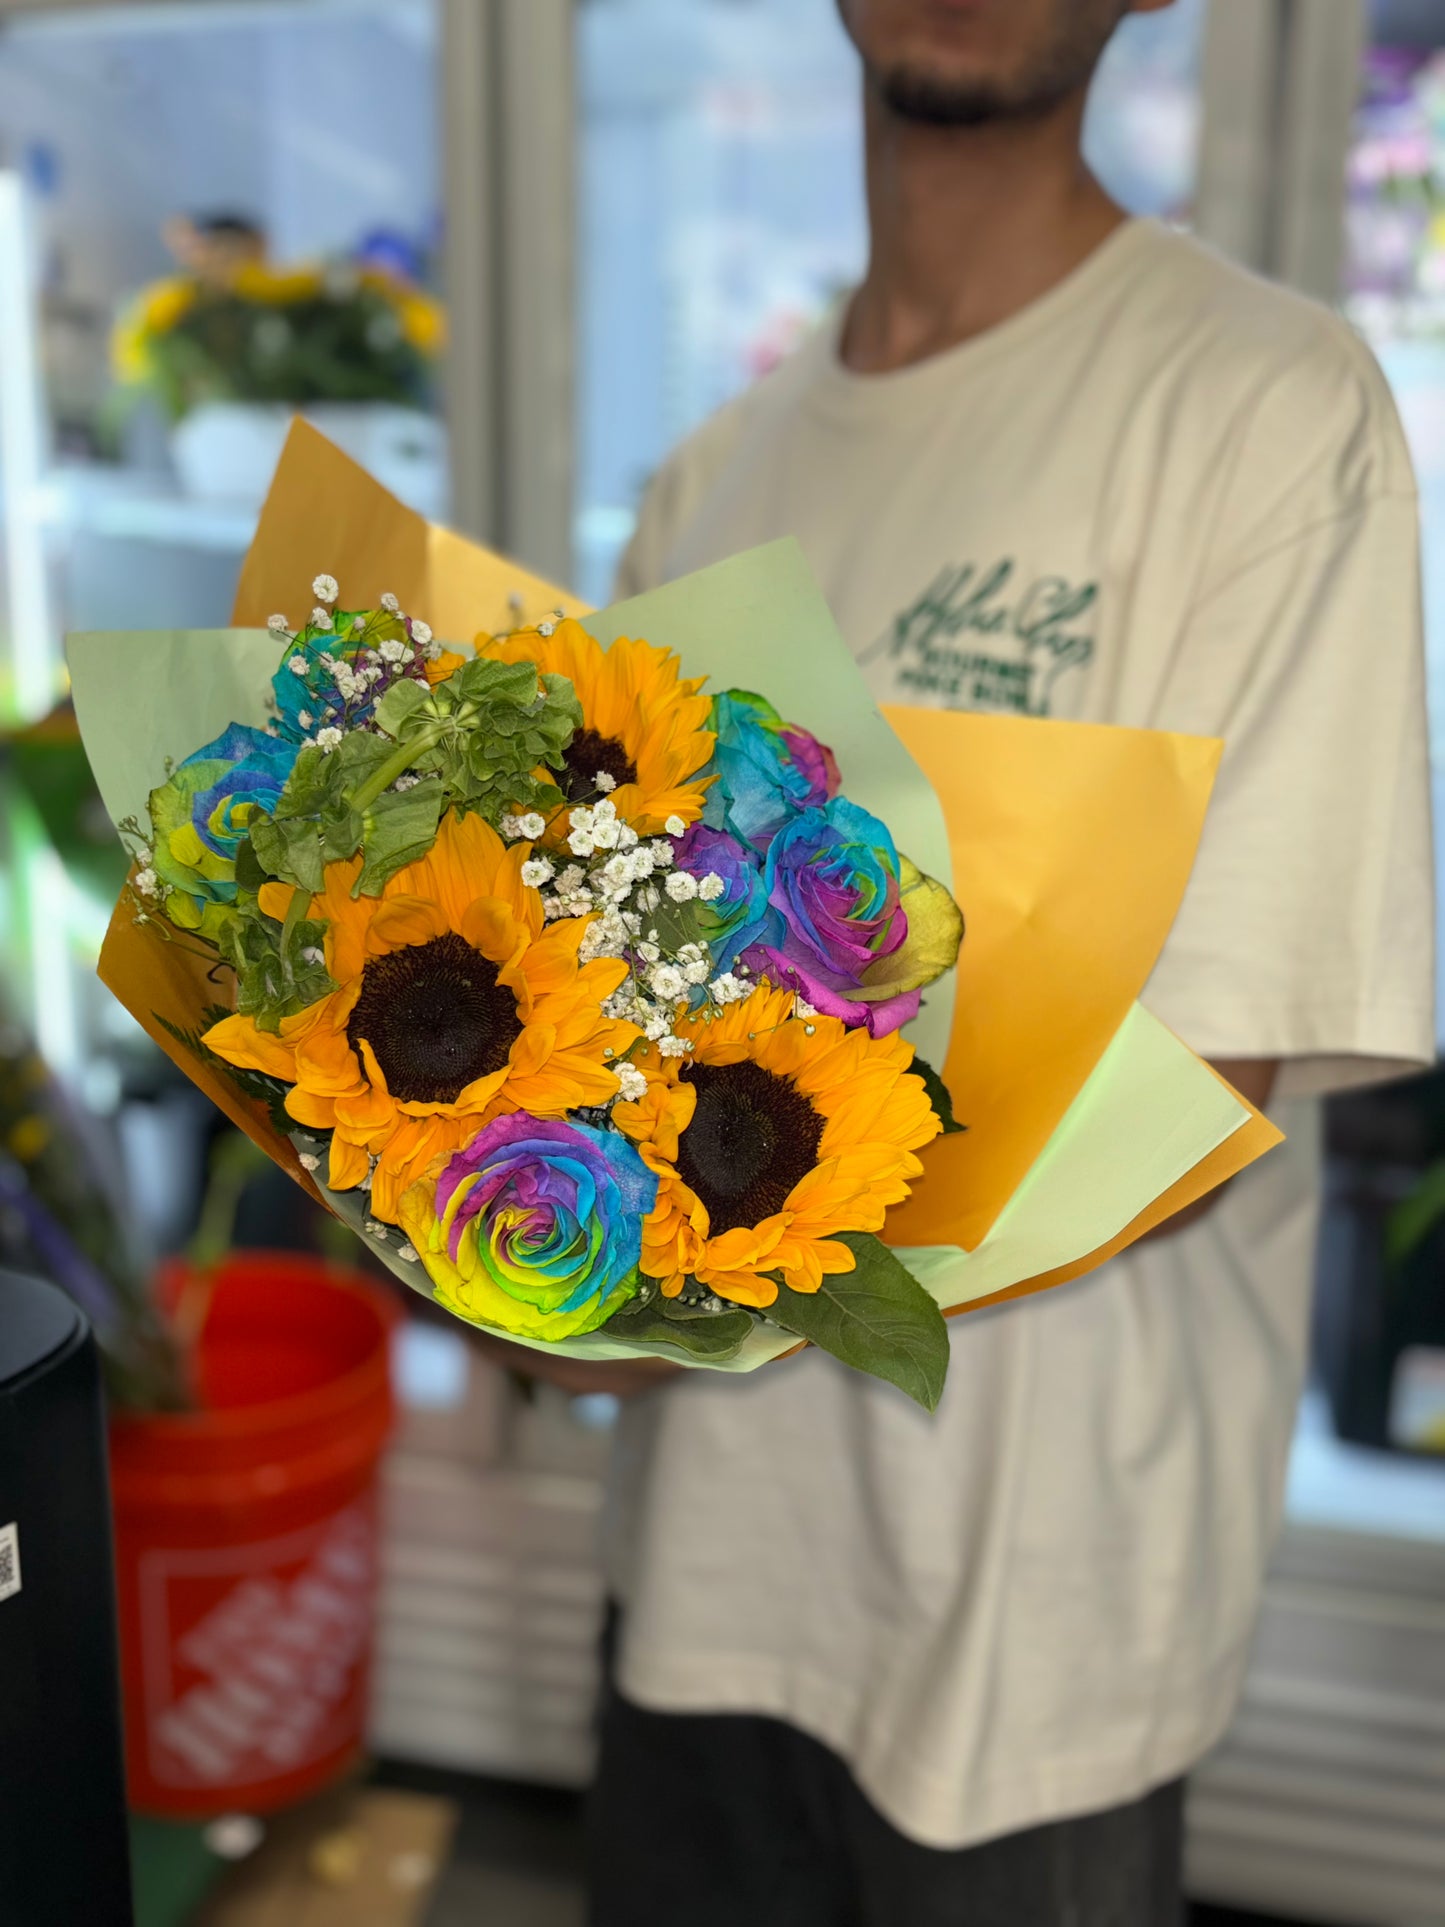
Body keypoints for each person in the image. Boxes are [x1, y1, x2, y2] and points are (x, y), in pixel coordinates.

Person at [508, 2, 1437, 1921]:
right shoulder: (709, 481)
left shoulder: (1266, 411)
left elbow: (1193, 1110)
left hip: (1029, 1633)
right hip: (697, 1572)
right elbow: (597, 1036)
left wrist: (685, 1242)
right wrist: (512, 1236)